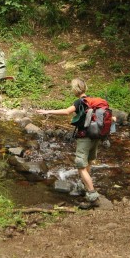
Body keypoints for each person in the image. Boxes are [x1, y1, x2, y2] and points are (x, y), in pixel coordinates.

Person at [36, 78, 101, 208]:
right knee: (88, 162)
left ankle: (92, 196)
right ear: (85, 88)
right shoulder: (93, 101)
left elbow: (66, 111)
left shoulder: (79, 102)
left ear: (75, 90)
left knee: (81, 166)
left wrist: (47, 111)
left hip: (85, 138)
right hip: (96, 136)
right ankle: (83, 186)